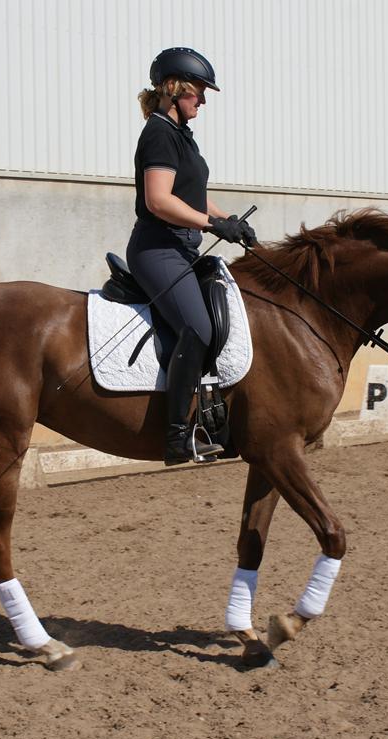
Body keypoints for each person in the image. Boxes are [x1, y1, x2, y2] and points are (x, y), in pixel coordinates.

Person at [127, 46, 257, 466]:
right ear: (173, 88)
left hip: (183, 248)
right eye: (197, 91)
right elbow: (160, 201)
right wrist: (210, 224)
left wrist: (228, 219)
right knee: (198, 328)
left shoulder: (182, 135)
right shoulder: (160, 133)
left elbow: (193, 195)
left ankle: (214, 415)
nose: (202, 99)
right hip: (157, 249)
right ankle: (177, 435)